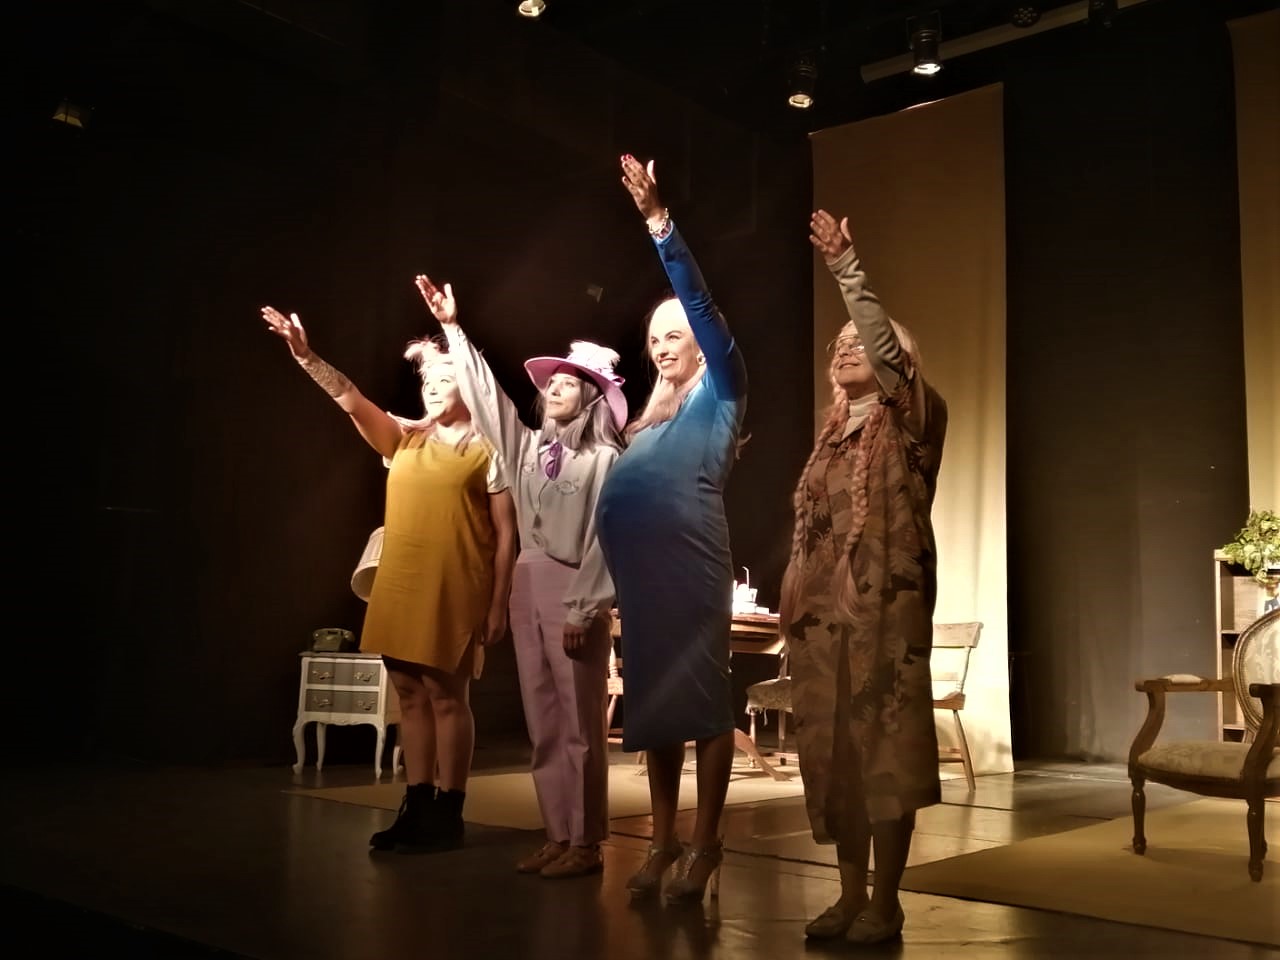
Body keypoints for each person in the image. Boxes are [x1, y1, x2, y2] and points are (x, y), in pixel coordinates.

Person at [261, 304, 518, 854]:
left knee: (447, 696)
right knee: (408, 693)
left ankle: (449, 808)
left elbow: (506, 535)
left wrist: (499, 603)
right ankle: (416, 803)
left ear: (470, 388)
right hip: (400, 581)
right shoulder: (404, 438)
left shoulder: (489, 451)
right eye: (428, 381)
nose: (433, 389)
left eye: (446, 380)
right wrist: (306, 356)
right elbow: (350, 398)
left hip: (455, 585)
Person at [413, 272, 626, 879]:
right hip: (529, 585)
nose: (555, 387)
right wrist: (454, 329)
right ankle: (557, 833)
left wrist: (585, 606)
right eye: (552, 381)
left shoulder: (605, 459)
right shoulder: (528, 448)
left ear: (591, 397)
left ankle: (586, 841)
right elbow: (489, 399)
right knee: (543, 720)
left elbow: (607, 538)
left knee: (580, 723)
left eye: (569, 382)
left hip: (573, 587)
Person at [778, 209, 948, 943]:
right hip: (823, 623)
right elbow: (812, 532)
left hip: (884, 614)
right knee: (835, 755)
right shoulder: (827, 441)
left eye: (862, 340)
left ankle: (886, 900)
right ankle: (849, 895)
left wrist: (847, 270)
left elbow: (886, 352)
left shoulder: (912, 420)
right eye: (838, 343)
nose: (848, 346)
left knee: (884, 747)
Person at [594, 154, 748, 906]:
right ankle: (661, 840)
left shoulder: (721, 393)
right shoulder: (646, 424)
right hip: (644, 585)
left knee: (704, 706)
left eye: (675, 332)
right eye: (654, 337)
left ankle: (707, 842)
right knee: (655, 710)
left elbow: (703, 304)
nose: (663, 345)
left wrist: (660, 224)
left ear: (699, 340)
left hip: (691, 571)